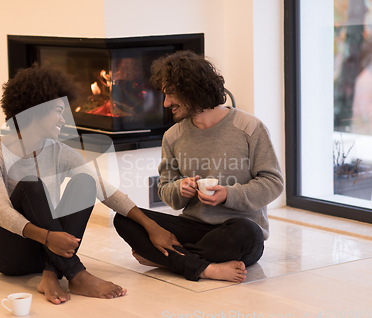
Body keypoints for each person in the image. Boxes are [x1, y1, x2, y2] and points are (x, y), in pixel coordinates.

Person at [0, 63, 180, 304]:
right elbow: (2, 214)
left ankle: (51, 274)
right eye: (58, 111)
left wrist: (151, 225)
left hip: (45, 252)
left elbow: (103, 188)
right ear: (35, 110)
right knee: (31, 185)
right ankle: (76, 274)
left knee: (86, 181)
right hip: (8, 253)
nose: (64, 120)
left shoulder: (58, 151)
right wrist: (47, 236)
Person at [114, 51, 284, 283]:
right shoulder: (173, 136)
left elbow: (273, 182)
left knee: (248, 232)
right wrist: (179, 189)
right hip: (193, 226)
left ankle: (170, 259)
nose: (166, 103)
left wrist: (228, 195)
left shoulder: (249, 127)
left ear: (193, 89)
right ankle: (206, 268)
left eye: (171, 94)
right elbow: (165, 190)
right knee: (124, 218)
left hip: (236, 230)